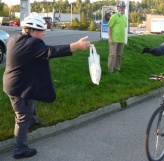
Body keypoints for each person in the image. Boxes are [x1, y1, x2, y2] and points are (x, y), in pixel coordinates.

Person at [3, 15, 91, 159]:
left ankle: (32, 120)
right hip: (19, 88)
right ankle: (20, 149)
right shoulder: (32, 44)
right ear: (31, 31)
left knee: (30, 102)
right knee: (22, 117)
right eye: (41, 30)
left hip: (17, 82)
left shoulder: (16, 38)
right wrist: (76, 45)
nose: (44, 33)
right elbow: (51, 51)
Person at [108, 1, 127, 73]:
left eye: (123, 7)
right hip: (114, 39)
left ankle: (117, 68)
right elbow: (109, 27)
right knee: (112, 55)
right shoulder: (114, 16)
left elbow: (123, 27)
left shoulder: (124, 17)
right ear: (117, 8)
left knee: (119, 55)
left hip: (121, 39)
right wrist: (110, 38)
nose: (121, 8)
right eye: (120, 7)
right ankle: (110, 70)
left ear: (124, 8)